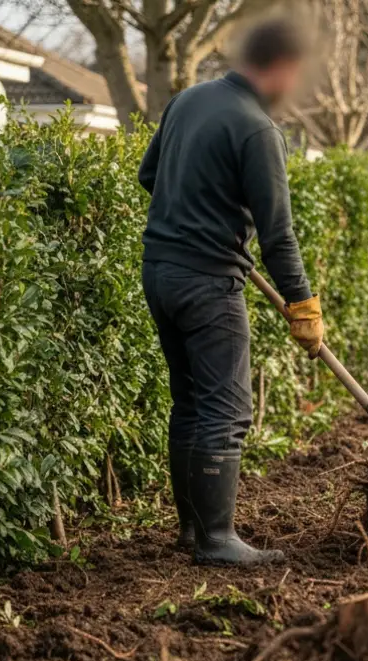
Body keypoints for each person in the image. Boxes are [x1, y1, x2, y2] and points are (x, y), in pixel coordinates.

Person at [138, 18, 322, 566]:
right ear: (283, 69)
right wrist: (303, 306)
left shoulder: (187, 101)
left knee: (191, 402)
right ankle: (217, 540)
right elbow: (278, 234)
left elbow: (151, 176)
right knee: (227, 408)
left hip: (160, 273)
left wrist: (200, 208)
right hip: (207, 284)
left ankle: (193, 532)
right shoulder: (258, 129)